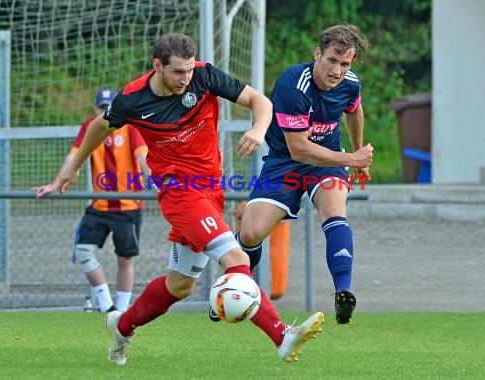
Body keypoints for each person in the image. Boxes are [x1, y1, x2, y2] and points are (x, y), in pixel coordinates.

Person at [52, 33, 325, 365]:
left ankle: (121, 325)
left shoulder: (204, 75)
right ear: (158, 66)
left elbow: (261, 101)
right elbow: (100, 126)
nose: (186, 78)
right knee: (236, 258)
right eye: (178, 72)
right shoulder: (133, 98)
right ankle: (282, 336)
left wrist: (257, 129)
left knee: (179, 285)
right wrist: (73, 164)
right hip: (179, 193)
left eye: (189, 71)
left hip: (210, 189)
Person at [209, 24, 373, 325]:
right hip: (285, 161)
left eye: (345, 64)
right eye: (331, 61)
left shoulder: (350, 83)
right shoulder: (293, 84)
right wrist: (353, 157)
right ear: (317, 54)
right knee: (250, 231)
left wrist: (359, 152)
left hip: (326, 160)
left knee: (334, 209)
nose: (337, 71)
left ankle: (342, 293)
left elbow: (354, 110)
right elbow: (299, 150)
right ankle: (230, 288)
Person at [32, 88, 151, 313]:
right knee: (83, 252)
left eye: (110, 107)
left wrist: (155, 178)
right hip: (99, 205)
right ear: (96, 109)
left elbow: (143, 156)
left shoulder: (131, 126)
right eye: (102, 108)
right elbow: (73, 156)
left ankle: (123, 312)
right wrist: (55, 183)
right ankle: (108, 307)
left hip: (128, 206)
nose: (106, 112)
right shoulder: (90, 127)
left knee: (125, 259)